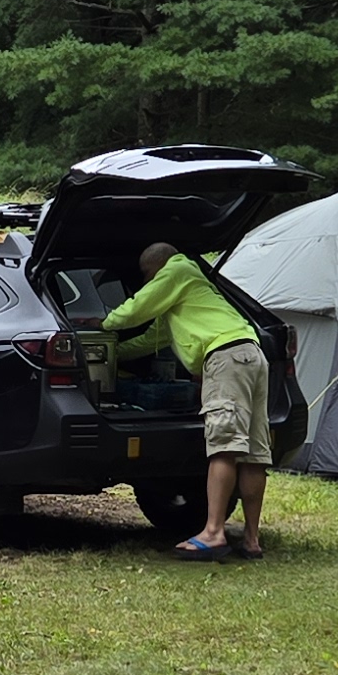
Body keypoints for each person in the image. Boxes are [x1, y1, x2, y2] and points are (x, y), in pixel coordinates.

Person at [102, 240, 275, 560]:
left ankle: (213, 533)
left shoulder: (177, 269)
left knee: (224, 445)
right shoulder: (188, 291)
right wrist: (112, 354)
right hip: (251, 354)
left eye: (145, 274)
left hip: (224, 359)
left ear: (156, 266)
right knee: (253, 452)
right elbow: (150, 339)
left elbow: (136, 307)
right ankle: (251, 540)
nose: (145, 282)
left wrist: (101, 326)